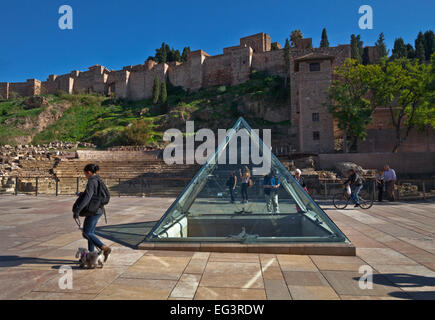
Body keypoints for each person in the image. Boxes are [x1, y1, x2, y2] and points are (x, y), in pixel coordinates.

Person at [73, 164, 112, 262]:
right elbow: (94, 194)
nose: (85, 175)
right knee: (90, 232)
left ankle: (104, 248)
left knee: (86, 233)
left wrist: (77, 210)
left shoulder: (91, 181)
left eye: (85, 173)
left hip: (93, 211)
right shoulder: (98, 179)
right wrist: (82, 193)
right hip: (99, 209)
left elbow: (88, 197)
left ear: (89, 172)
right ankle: (91, 255)